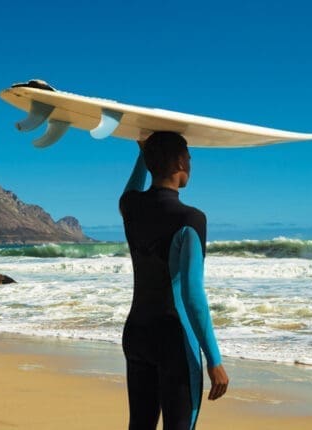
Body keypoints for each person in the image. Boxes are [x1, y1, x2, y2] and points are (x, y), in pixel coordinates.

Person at [119, 131, 229, 429]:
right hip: (173, 340)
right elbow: (192, 295)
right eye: (190, 158)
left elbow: (133, 188)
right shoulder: (191, 219)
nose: (191, 164)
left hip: (137, 334)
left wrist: (143, 152)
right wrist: (214, 360)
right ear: (181, 161)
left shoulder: (129, 207)